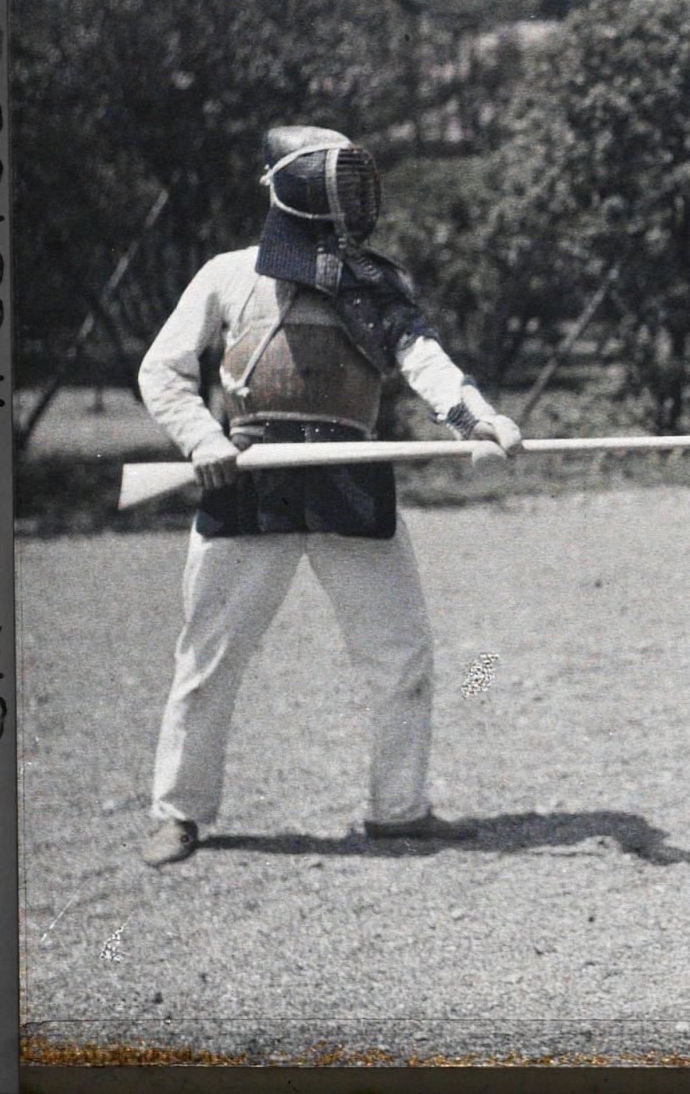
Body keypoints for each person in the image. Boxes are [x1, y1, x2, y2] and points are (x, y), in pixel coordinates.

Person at [135, 126, 525, 868]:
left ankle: (400, 808)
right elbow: (164, 370)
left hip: (351, 482)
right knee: (211, 655)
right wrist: (201, 439)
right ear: (288, 184)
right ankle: (178, 811)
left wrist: (479, 416)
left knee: (401, 652)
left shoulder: (377, 284)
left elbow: (423, 357)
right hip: (251, 481)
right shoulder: (228, 275)